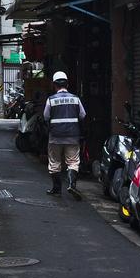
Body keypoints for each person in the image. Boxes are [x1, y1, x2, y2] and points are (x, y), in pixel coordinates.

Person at [43, 70, 86, 199]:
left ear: (54, 85)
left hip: (55, 136)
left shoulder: (51, 100)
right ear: (67, 84)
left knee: (55, 162)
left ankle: (57, 189)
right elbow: (83, 115)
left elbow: (46, 116)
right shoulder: (75, 99)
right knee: (73, 162)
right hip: (73, 136)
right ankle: (72, 185)